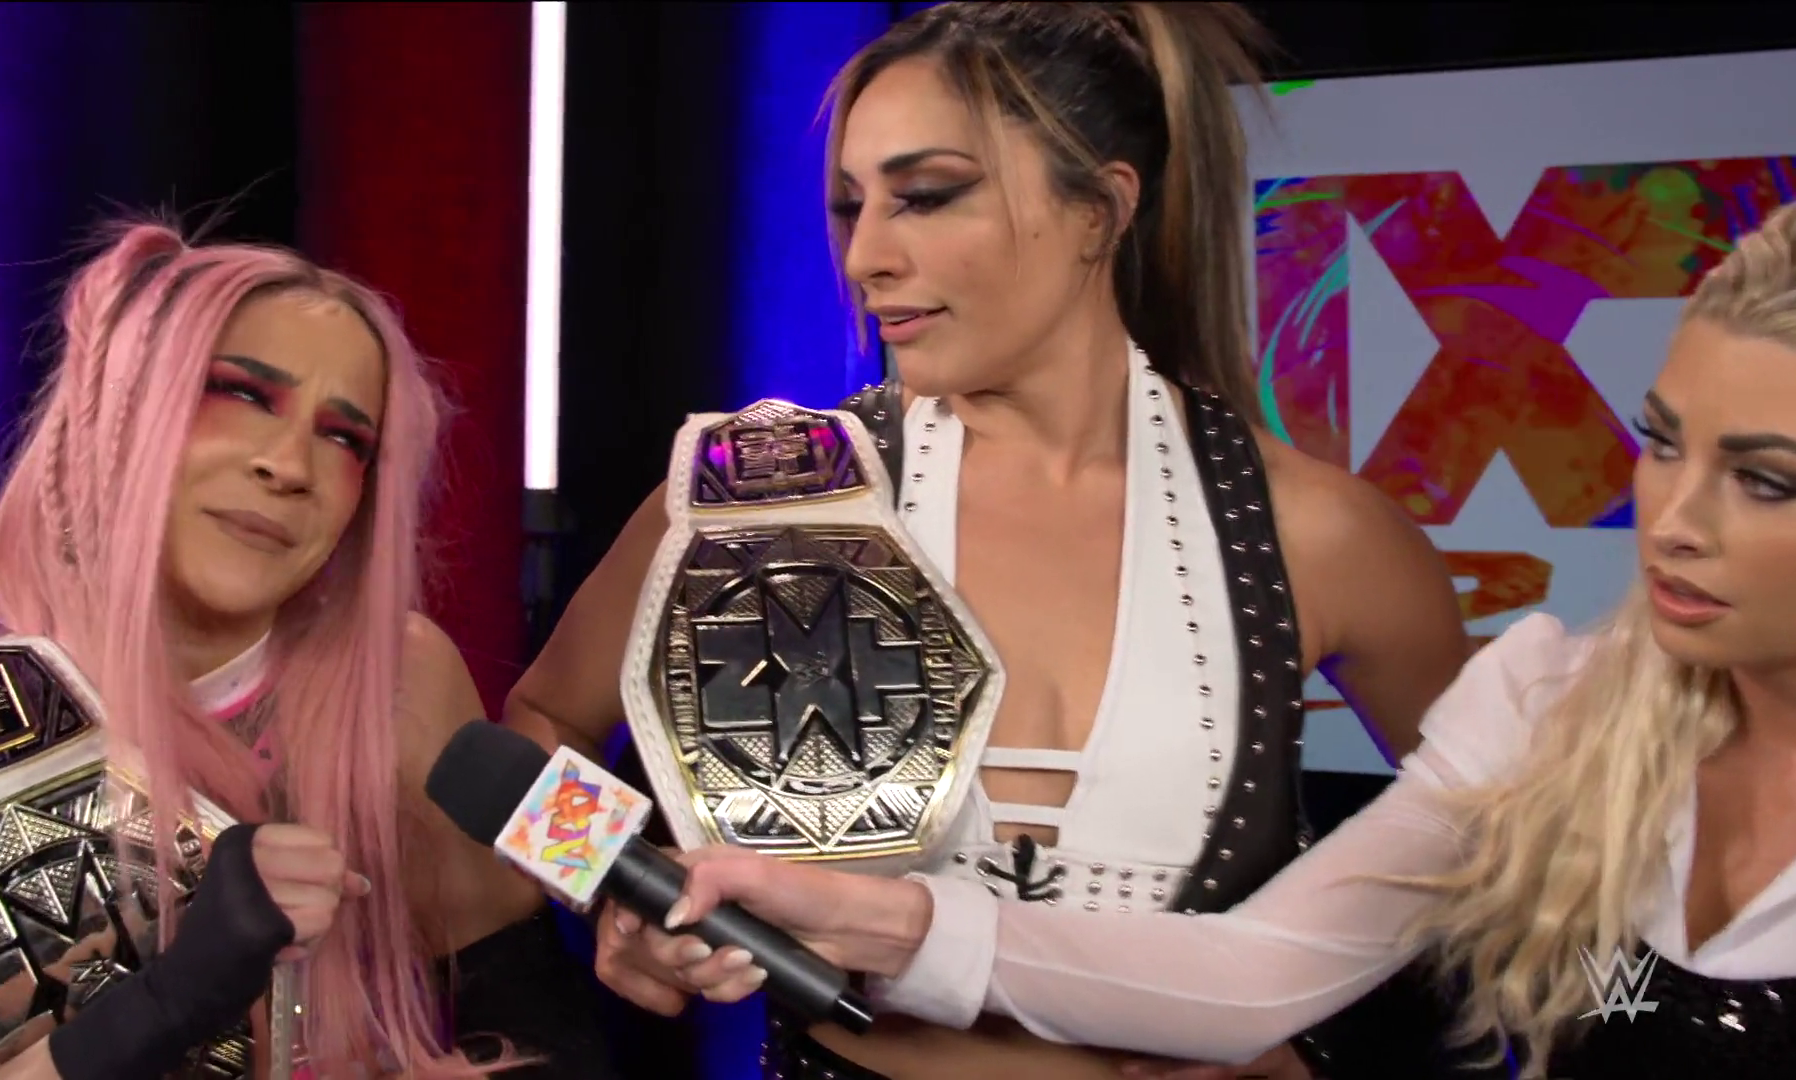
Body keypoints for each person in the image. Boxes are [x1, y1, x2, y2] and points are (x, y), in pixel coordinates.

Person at [505, 4, 1470, 1078]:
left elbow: (1511, 849)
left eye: (926, 196)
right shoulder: (764, 495)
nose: (867, 256)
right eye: (852, 205)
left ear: (1102, 209)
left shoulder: (1311, 533)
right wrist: (613, 885)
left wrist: (1307, 1041)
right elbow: (535, 729)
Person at [635, 200, 1796, 1080]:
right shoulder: (1549, 703)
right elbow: (1257, 975)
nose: (1674, 521)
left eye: (1764, 480)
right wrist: (885, 922)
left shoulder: (1309, 528)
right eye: (1662, 444)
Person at [0, 221, 611, 1078]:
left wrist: (641, 896)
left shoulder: (405, 680)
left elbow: (546, 1022)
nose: (289, 464)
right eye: (241, 393)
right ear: (117, 415)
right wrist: (172, 998)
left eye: (344, 438)